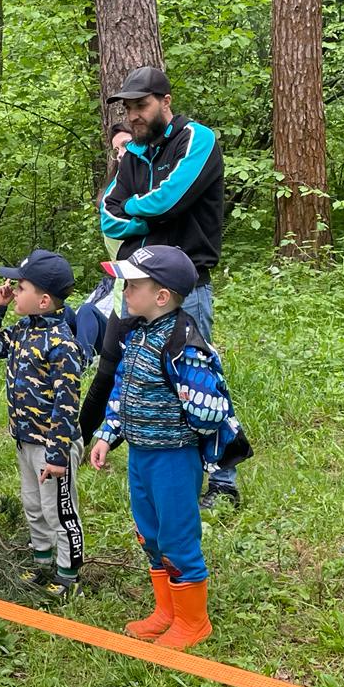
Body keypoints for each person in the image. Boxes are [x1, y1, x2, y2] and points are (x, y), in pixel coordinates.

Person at [89, 246, 250, 649]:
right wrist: (108, 433)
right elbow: (122, 389)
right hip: (141, 455)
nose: (124, 291)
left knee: (178, 537)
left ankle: (193, 621)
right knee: (149, 533)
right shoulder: (136, 334)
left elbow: (210, 409)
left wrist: (187, 435)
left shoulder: (184, 345)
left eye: (133, 285)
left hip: (174, 458)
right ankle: (166, 611)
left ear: (161, 296)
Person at [96, 66, 238, 509]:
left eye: (142, 105)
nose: (134, 116)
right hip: (136, 284)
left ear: (165, 101)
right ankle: (157, 461)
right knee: (127, 370)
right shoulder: (134, 155)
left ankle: (223, 479)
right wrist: (147, 213)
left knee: (197, 379)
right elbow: (108, 214)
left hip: (186, 283)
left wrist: (139, 209)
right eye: (128, 108)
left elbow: (174, 198)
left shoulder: (197, 139)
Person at [0, 250, 85, 600]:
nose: (13, 290)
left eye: (19, 287)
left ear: (42, 300)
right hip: (26, 439)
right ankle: (42, 562)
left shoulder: (61, 344)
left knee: (59, 510)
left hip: (54, 446)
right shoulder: (23, 330)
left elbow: (66, 405)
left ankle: (68, 575)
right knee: (33, 505)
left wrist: (57, 454)